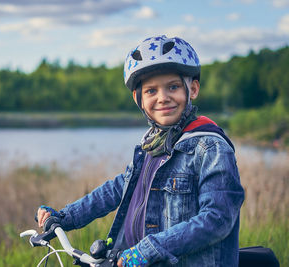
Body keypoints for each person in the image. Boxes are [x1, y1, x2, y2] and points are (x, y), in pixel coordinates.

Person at [36, 35, 245, 266]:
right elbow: (118, 188)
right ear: (139, 99)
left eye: (173, 87)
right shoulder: (153, 145)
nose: (163, 98)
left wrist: (148, 250)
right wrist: (65, 217)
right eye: (151, 91)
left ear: (192, 89)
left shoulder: (210, 147)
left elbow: (217, 219)